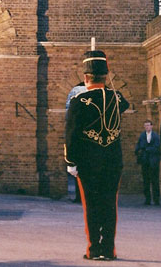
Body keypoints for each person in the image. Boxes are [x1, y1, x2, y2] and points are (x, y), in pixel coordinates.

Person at [64, 50, 130, 261]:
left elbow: (71, 134)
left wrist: (71, 161)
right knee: (109, 206)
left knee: (91, 206)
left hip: (88, 162)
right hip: (112, 161)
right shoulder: (116, 98)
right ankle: (109, 249)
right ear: (106, 75)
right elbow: (125, 104)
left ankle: (94, 250)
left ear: (85, 78)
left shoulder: (79, 101)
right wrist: (108, 88)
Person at [134, 120, 161, 205]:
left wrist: (147, 149)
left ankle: (156, 200)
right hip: (145, 161)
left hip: (153, 161)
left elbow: (157, 147)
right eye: (145, 125)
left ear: (152, 126)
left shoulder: (156, 136)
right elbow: (139, 144)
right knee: (146, 180)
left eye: (148, 125)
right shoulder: (142, 135)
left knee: (155, 180)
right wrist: (137, 150)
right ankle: (147, 199)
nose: (147, 127)